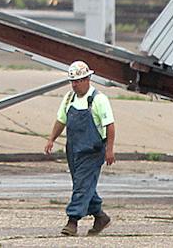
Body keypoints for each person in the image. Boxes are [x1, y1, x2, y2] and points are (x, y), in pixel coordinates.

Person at [43, 60, 115, 236]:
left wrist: (109, 150)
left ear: (88, 79)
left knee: (81, 186)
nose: (74, 84)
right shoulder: (69, 98)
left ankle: (72, 221)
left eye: (78, 80)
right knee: (82, 184)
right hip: (73, 149)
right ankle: (100, 216)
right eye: (72, 81)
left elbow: (110, 126)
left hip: (93, 151)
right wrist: (51, 138)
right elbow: (61, 120)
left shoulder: (98, 100)